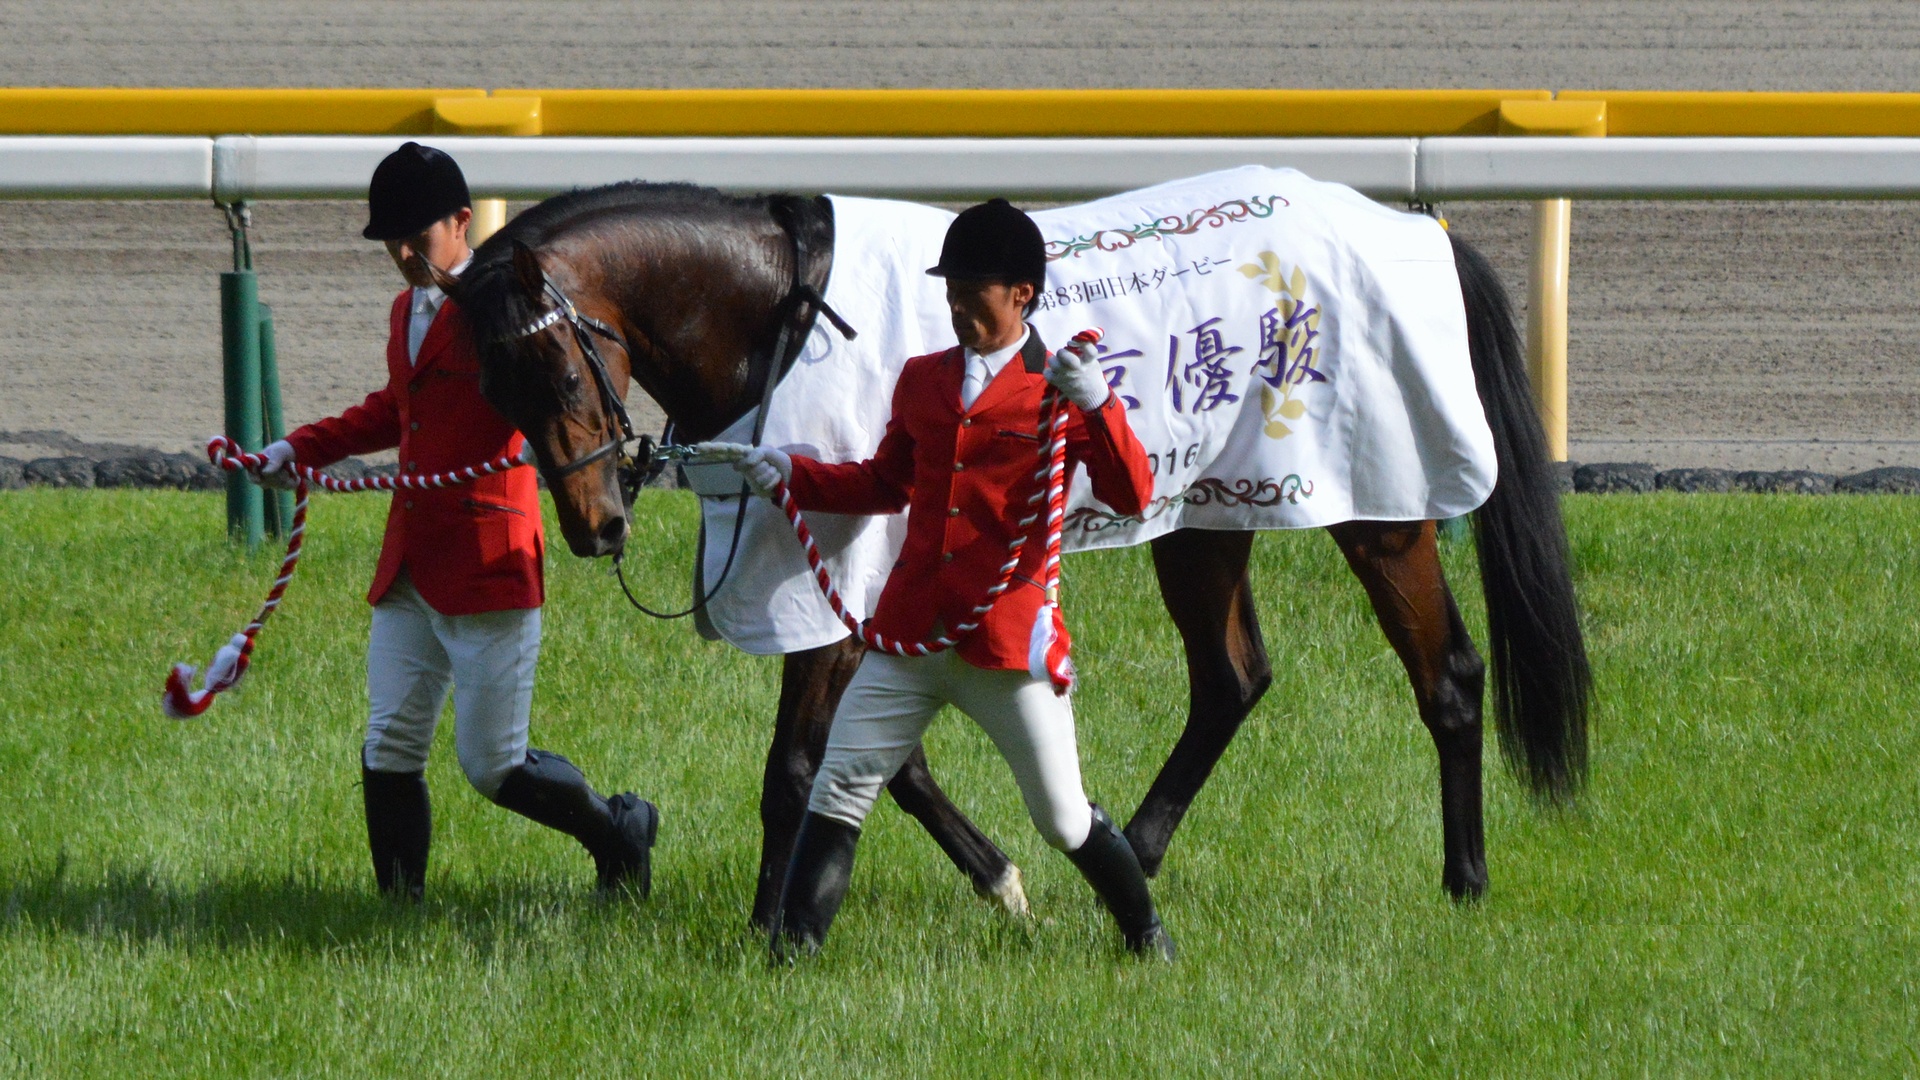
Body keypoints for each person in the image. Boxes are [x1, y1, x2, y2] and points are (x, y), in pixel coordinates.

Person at [702, 198, 1175, 960]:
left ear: (1021, 294)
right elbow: (883, 483)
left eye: (970, 288)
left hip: (1003, 642)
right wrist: (792, 475)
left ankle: (1146, 932)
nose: (953, 301)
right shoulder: (923, 380)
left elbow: (1133, 495)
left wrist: (1103, 408)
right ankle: (791, 957)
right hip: (910, 635)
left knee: (1062, 820)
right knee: (840, 786)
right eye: (948, 286)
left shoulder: (1058, 392)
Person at [249, 142, 658, 901]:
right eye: (391, 242)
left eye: (420, 236)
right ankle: (398, 911)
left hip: (487, 557)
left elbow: (558, 402)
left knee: (492, 764)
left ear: (463, 222)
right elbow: (397, 410)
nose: (405, 254)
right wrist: (298, 448)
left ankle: (619, 831)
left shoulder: (508, 311)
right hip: (411, 560)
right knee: (390, 742)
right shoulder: (408, 308)